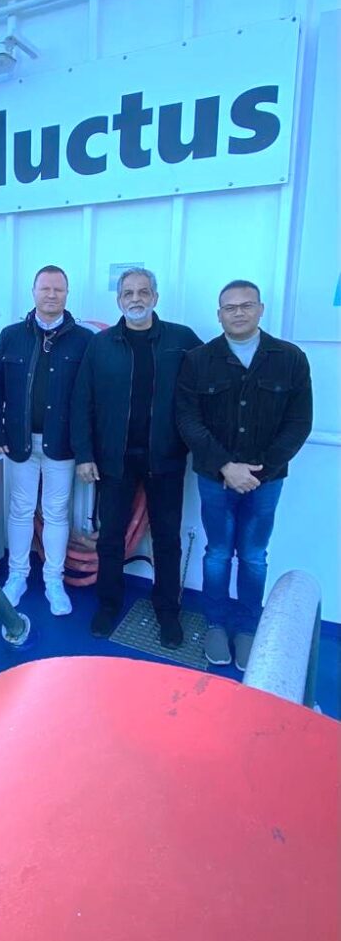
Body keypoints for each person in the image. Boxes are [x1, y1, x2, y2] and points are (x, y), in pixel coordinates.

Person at [176, 280, 312, 670]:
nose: (238, 312)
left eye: (245, 305)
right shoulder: (198, 360)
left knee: (254, 556)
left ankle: (249, 629)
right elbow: (188, 418)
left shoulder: (289, 358)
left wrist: (260, 471)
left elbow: (299, 422)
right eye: (230, 307)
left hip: (265, 482)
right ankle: (216, 624)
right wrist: (225, 466)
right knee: (217, 553)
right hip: (214, 477)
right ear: (219, 314)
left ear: (260, 309)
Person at [71, 268, 201, 647]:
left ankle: (167, 612)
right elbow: (83, 401)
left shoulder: (181, 340)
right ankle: (109, 605)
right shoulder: (102, 345)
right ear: (119, 300)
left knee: (166, 538)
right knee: (110, 537)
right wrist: (84, 454)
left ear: (155, 297)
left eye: (144, 291)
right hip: (114, 460)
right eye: (128, 292)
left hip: (167, 459)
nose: (136, 298)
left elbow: (208, 387)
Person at [0, 265, 93, 615]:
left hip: (62, 446)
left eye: (58, 289)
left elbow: (89, 398)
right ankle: (17, 576)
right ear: (33, 292)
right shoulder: (11, 335)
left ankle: (53, 580)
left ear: (67, 293)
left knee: (56, 513)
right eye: (45, 288)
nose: (51, 294)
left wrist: (85, 449)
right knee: (19, 510)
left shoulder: (84, 340)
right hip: (19, 443)